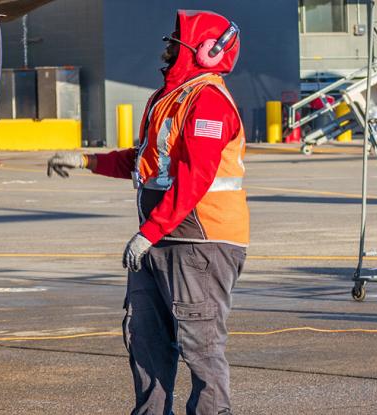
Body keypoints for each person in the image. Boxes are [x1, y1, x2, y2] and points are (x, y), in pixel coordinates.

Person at [46, 10, 248, 415]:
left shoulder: (207, 100)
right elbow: (145, 163)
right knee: (145, 339)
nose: (168, 47)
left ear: (207, 52)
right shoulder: (169, 98)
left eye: (177, 41)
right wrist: (87, 161)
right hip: (161, 239)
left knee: (200, 345)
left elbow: (196, 177)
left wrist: (149, 232)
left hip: (199, 244)